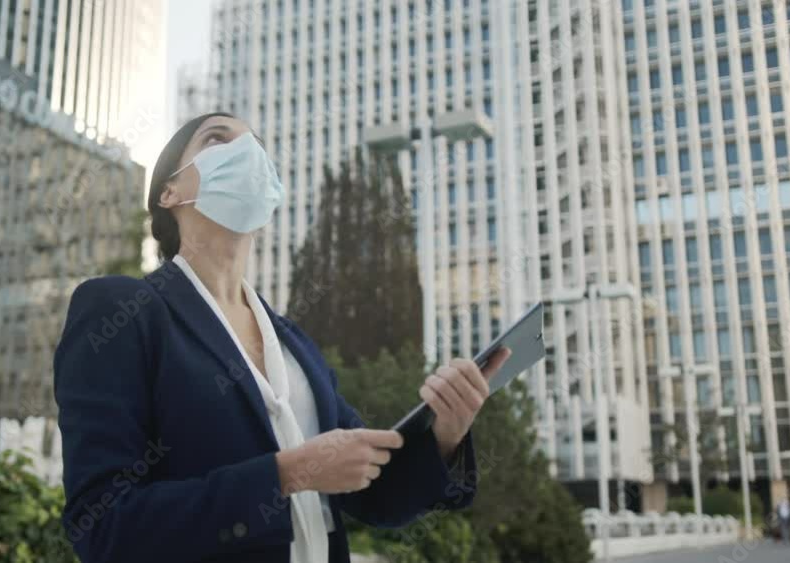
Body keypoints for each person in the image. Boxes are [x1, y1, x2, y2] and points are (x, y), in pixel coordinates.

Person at [53, 112, 511, 563]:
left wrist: (446, 433)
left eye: (255, 143)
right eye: (218, 138)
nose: (246, 152)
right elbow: (102, 526)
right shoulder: (121, 310)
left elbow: (375, 500)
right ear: (169, 191)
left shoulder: (293, 343)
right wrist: (286, 474)